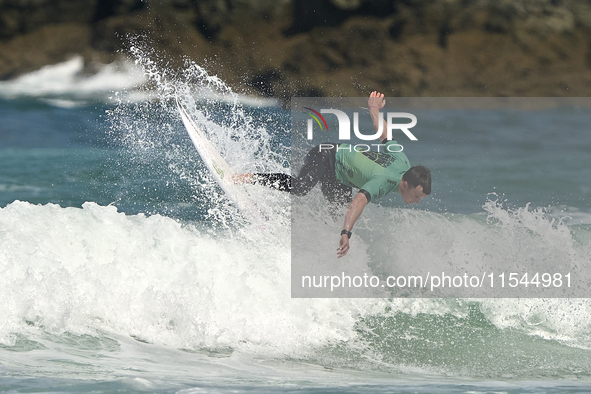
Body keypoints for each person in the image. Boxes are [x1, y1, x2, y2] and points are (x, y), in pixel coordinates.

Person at [233, 91, 431, 257]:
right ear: (405, 184)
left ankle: (291, 231)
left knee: (335, 215)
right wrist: (346, 233)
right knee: (301, 187)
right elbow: (358, 202)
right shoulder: (383, 182)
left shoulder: (403, 161)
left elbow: (386, 135)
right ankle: (249, 177)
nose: (416, 201)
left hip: (340, 176)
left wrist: (374, 109)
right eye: (416, 196)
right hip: (326, 155)